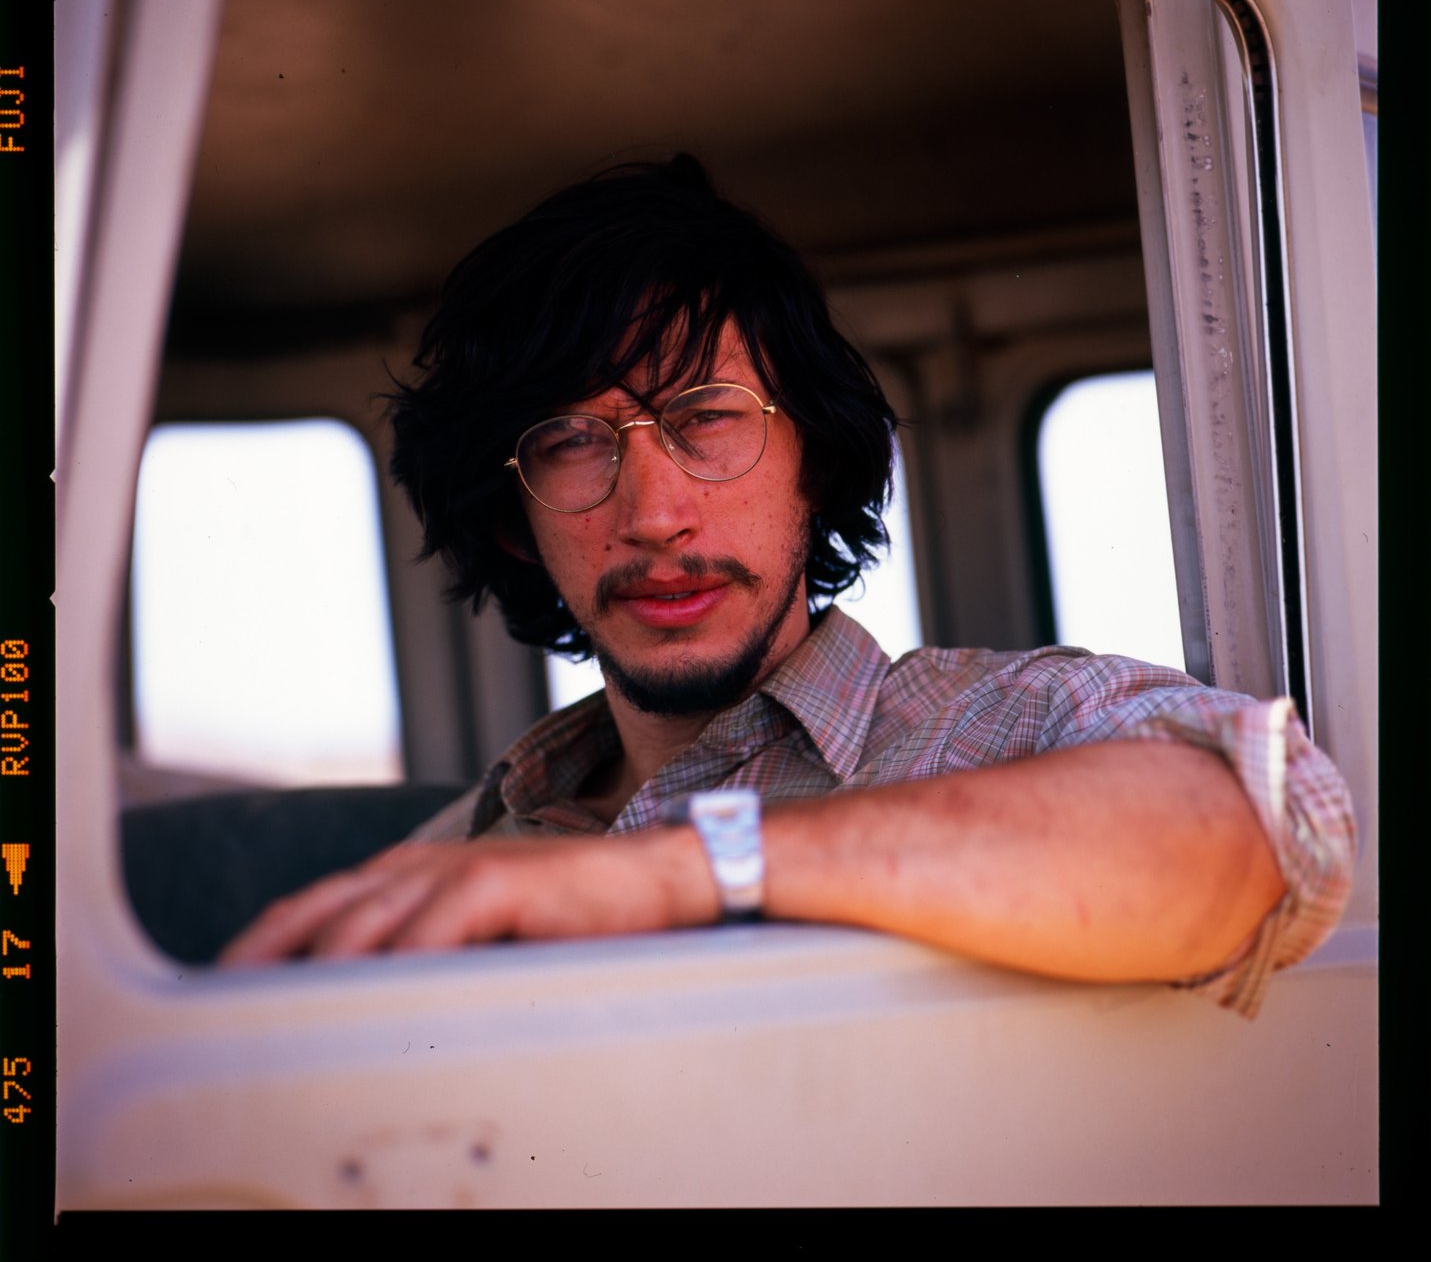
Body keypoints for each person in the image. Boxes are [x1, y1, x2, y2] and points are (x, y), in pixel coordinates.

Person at [221, 154, 1354, 1017]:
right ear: (515, 521)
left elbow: (1279, 824)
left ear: (815, 459)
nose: (655, 513)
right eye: (574, 440)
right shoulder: (486, 830)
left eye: (707, 420)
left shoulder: (988, 731)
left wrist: (691, 873)